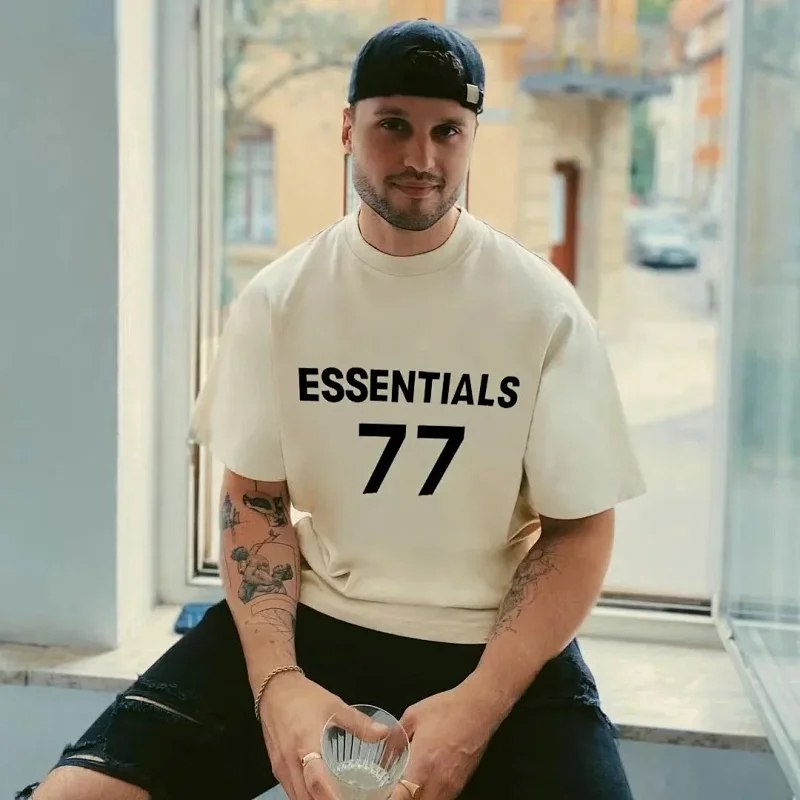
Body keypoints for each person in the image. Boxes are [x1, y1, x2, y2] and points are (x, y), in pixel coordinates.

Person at [23, 18, 645, 800]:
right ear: (349, 129)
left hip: (493, 639)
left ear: (472, 138)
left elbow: (580, 528)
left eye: (447, 132)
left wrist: (481, 706)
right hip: (316, 620)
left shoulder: (542, 309)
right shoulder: (280, 300)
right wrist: (277, 684)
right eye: (394, 126)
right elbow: (255, 501)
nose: (422, 159)